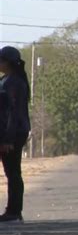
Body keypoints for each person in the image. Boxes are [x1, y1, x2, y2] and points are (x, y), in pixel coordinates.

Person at [0, 46, 31, 222]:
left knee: (12, 172)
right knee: (11, 172)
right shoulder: (9, 80)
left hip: (13, 132)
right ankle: (12, 210)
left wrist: (8, 139)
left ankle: (14, 211)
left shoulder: (13, 83)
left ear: (7, 62)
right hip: (13, 131)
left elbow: (12, 113)